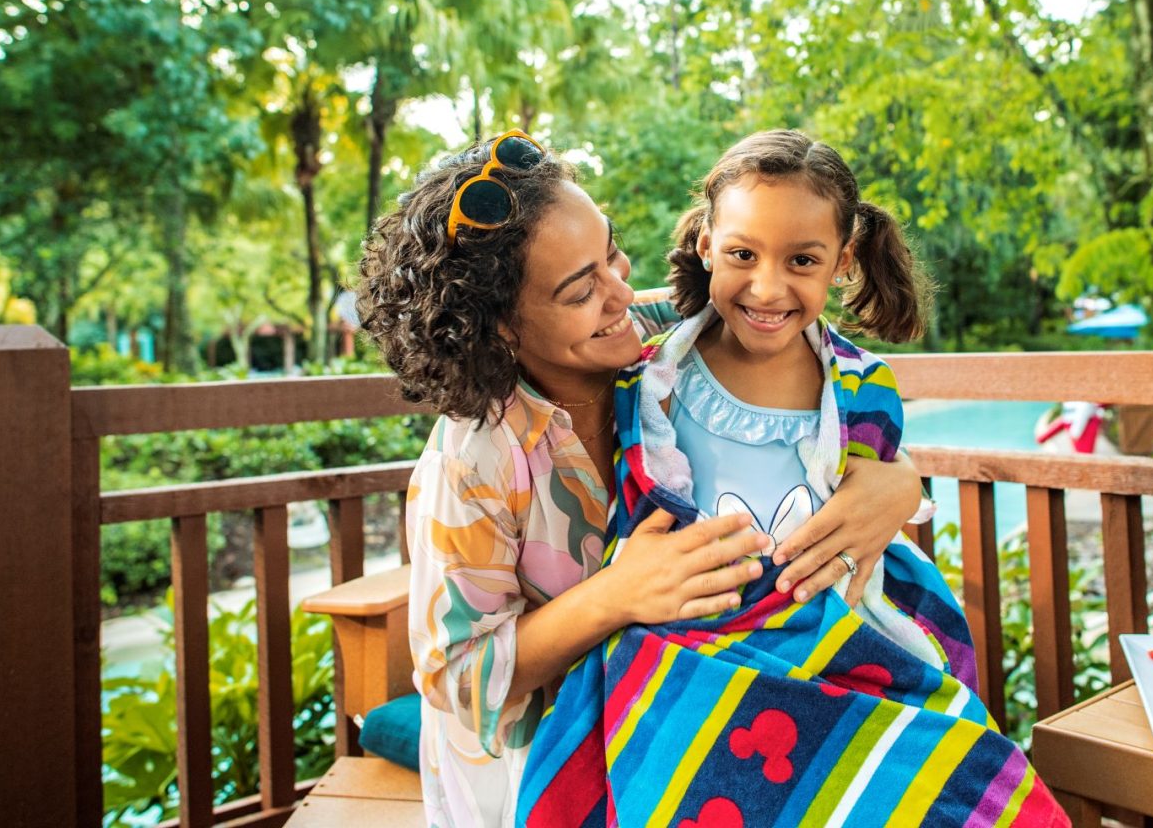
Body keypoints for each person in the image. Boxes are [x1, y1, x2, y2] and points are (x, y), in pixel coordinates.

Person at [356, 130, 926, 826]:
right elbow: (457, 679)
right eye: (581, 289)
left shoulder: (661, 333)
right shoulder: (475, 460)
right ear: (499, 326)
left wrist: (898, 481)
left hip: (692, 717)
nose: (623, 292)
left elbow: (811, 371)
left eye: (611, 253)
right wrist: (615, 596)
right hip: (545, 770)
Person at [518, 131, 1065, 827]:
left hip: (837, 637)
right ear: (707, 245)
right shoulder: (651, 372)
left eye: (802, 260)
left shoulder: (862, 385)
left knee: (958, 780)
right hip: (688, 643)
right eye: (743, 254)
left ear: (841, 263)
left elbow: (878, 495)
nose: (768, 288)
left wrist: (901, 485)